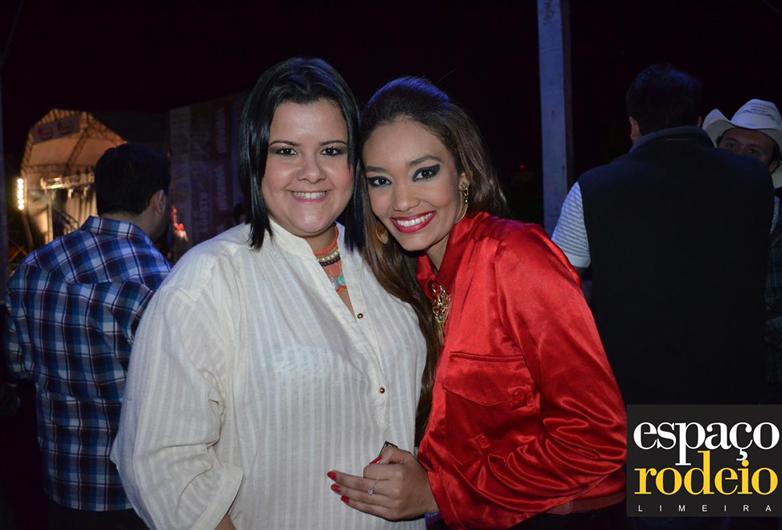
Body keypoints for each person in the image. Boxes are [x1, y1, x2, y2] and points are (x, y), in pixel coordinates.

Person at [111, 58, 426, 530]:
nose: (311, 172)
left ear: (354, 161)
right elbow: (160, 464)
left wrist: (433, 487)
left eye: (332, 150)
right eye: (286, 151)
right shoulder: (210, 279)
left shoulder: (389, 263)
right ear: (255, 158)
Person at [328, 77, 627, 529]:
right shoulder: (422, 278)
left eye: (424, 172)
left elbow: (598, 439)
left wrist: (439, 492)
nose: (403, 200)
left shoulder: (514, 258)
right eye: (381, 181)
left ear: (463, 174)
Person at [551, 64, 774, 405]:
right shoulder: (757, 181)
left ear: (633, 125)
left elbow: (557, 291)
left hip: (634, 392)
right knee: (730, 445)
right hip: (736, 390)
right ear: (699, 121)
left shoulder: (592, 188)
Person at [4, 143, 172, 530]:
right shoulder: (159, 282)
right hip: (142, 492)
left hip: (63, 486)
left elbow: (17, 365)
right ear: (158, 200)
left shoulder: (35, 267)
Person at [703, 99, 782, 403]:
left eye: (754, 151)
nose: (738, 157)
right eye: (731, 145)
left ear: (772, 166)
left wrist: (734, 307)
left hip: (754, 385)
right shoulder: (689, 208)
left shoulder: (781, 226)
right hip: (684, 379)